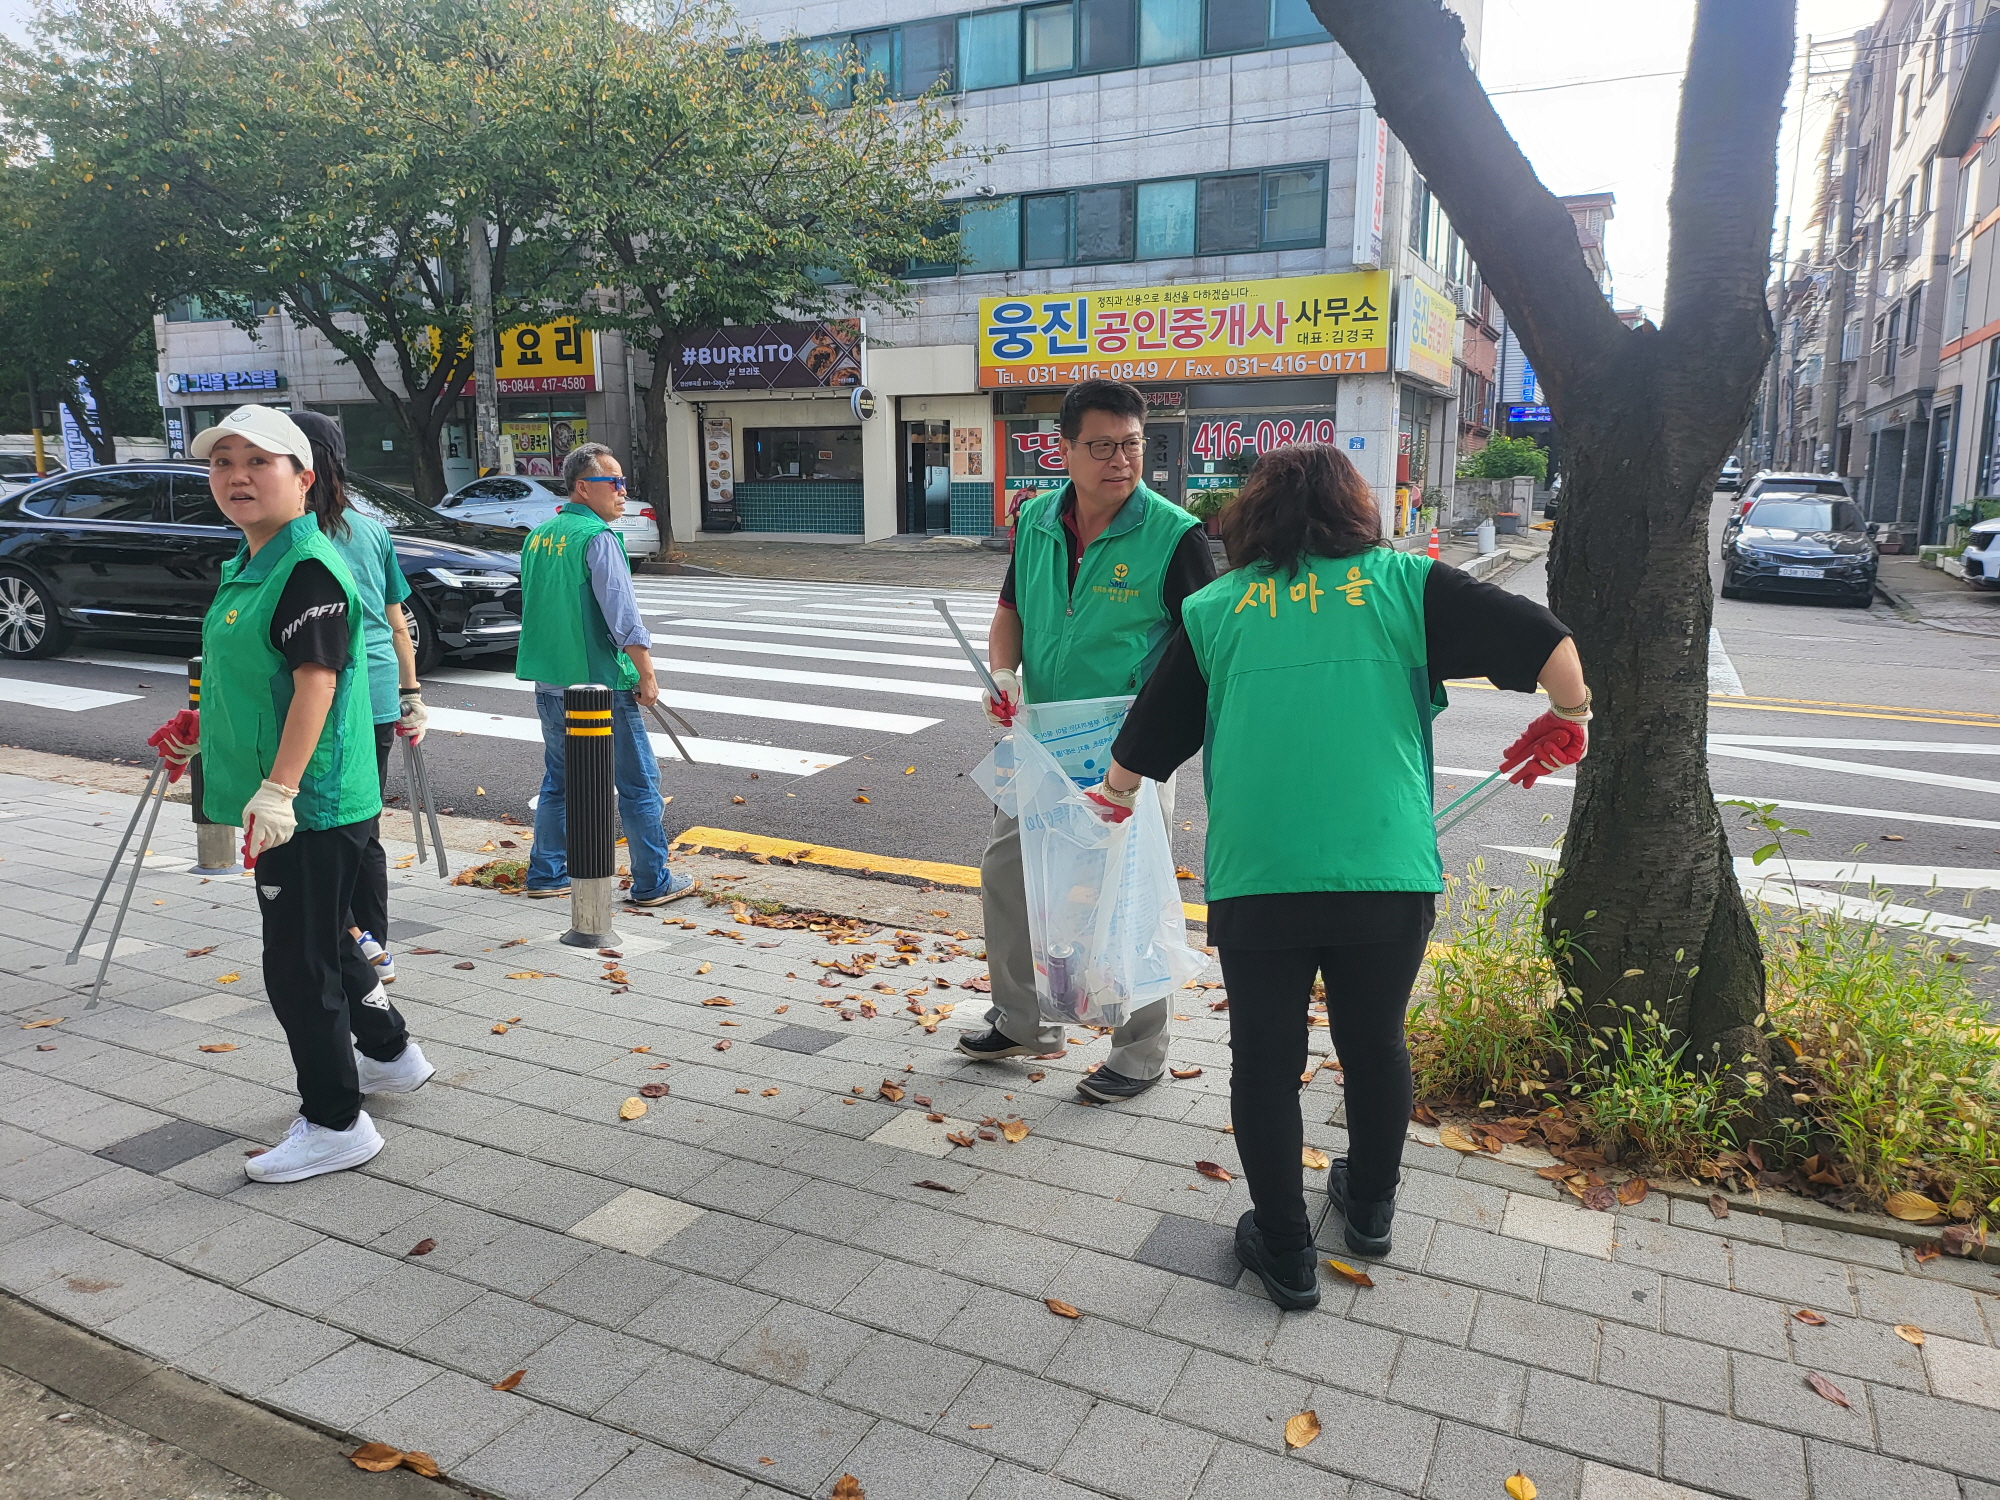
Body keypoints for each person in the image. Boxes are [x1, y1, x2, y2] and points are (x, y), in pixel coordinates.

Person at [1088, 444, 1588, 1310]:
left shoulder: (1216, 608)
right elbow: (1548, 643)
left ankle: (1283, 1250)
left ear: (1254, 515)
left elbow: (1147, 736)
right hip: (1386, 871)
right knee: (1375, 1043)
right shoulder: (1403, 586)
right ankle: (1369, 1209)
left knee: (1266, 1064)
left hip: (1260, 879)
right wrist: (1570, 715)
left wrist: (1116, 795)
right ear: (1354, 509)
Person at [149, 405, 434, 1185]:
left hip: (308, 805)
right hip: (301, 799)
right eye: (222, 462)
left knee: (297, 964)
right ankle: (392, 1056)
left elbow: (318, 681)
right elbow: (259, 675)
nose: (237, 476)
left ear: (305, 478)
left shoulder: (307, 566)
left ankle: (336, 1122)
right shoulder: (253, 561)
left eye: (259, 462)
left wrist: (278, 791)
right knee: (334, 941)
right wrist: (200, 725)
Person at [957, 379, 1215, 1102]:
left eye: (1132, 445)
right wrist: (1004, 674)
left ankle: (1141, 1049)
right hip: (1040, 740)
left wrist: (1155, 747)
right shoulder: (1037, 520)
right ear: (1063, 450)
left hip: (1131, 751)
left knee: (1128, 897)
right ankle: (1023, 1019)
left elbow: (1206, 647)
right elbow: (1009, 612)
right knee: (1007, 875)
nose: (1121, 460)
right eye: (1102, 446)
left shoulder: (1174, 535)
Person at [517, 442, 694, 906]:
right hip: (599, 687)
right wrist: (646, 674)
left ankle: (546, 872)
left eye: (622, 483)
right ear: (582, 487)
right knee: (638, 784)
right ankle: (652, 880)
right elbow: (623, 617)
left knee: (560, 780)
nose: (622, 491)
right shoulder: (598, 538)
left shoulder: (539, 536)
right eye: (612, 482)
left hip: (551, 681)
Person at [289, 411, 429, 984]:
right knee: (362, 824)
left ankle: (347, 937)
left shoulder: (292, 537)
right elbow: (398, 623)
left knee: (314, 828)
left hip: (315, 696)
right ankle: (374, 943)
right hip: (373, 691)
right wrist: (411, 693)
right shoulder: (370, 531)